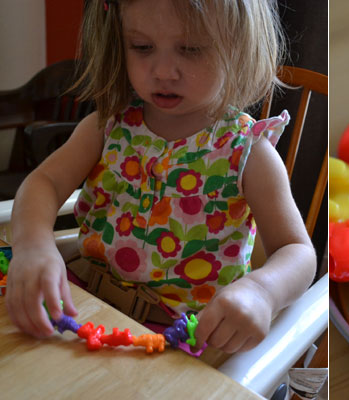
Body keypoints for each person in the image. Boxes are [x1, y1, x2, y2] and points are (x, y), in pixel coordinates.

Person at [5, 0, 316, 354]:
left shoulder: (250, 153)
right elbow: (44, 183)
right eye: (142, 47)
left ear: (239, 46)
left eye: (191, 49)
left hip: (182, 338)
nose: (164, 71)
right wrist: (33, 245)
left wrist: (263, 291)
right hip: (82, 303)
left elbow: (298, 252)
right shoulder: (107, 126)